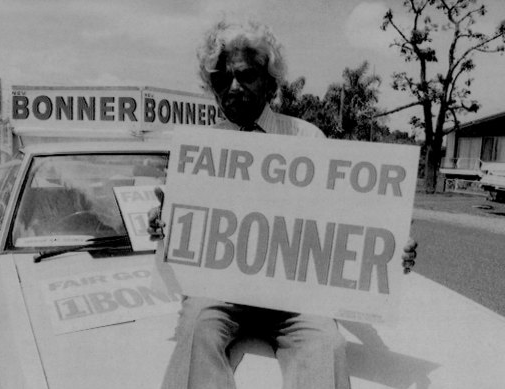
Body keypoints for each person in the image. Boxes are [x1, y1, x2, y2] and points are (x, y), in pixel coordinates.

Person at [149, 18, 417, 389]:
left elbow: (351, 219)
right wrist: (164, 226)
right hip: (220, 293)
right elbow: (183, 233)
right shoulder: (198, 149)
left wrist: (390, 247)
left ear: (271, 83)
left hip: (295, 300)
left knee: (327, 343)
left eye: (245, 76)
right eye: (222, 80)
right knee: (195, 328)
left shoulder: (308, 139)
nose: (233, 87)